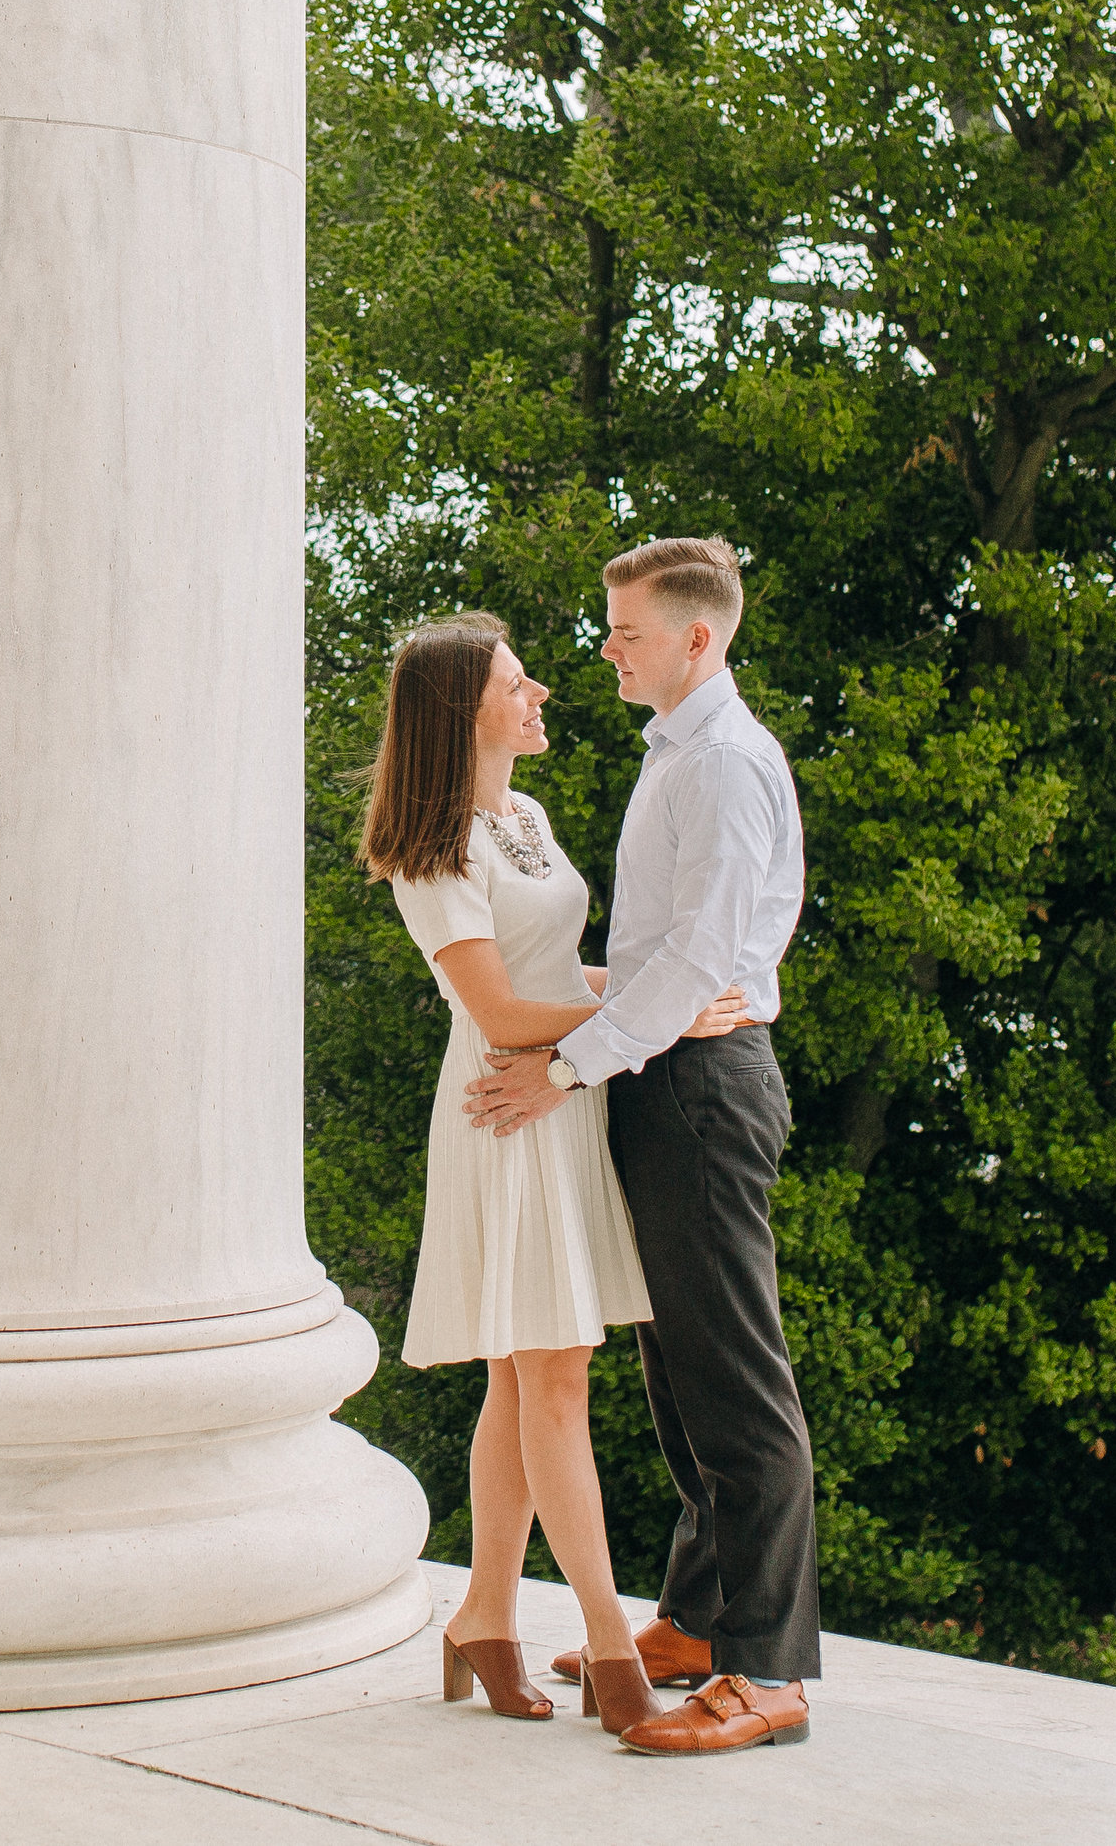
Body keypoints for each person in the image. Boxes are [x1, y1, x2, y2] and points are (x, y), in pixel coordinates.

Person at [359, 612, 746, 1737]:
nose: (541, 697)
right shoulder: (431, 850)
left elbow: (550, 972)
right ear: (460, 712)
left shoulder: (522, 817)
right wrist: (656, 1017)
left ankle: (484, 1615)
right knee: (555, 1376)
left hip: (562, 1096)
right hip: (504, 1110)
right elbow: (494, 1011)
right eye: (518, 684)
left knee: (526, 1379)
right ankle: (611, 1640)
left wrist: (619, 1007)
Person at [465, 536, 820, 1758]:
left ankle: (766, 1675)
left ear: (695, 638)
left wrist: (563, 1065)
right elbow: (673, 953)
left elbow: (707, 957)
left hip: (703, 1090)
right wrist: (611, 1012)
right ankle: (696, 1618)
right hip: (661, 1075)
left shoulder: (721, 763)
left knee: (734, 1379)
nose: (604, 650)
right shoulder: (679, 755)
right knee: (677, 1372)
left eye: (624, 631)